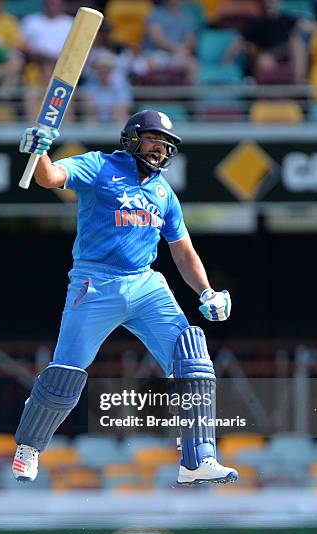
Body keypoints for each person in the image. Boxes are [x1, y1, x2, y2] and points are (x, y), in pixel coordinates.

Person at [12, 109, 238, 488]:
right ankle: (30, 446)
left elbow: (183, 251)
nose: (160, 150)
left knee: (192, 356)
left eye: (166, 145)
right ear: (132, 138)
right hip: (95, 282)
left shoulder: (164, 193)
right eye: (153, 140)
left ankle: (198, 458)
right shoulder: (99, 167)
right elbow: (50, 178)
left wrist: (207, 290)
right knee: (67, 372)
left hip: (146, 284)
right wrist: (39, 152)